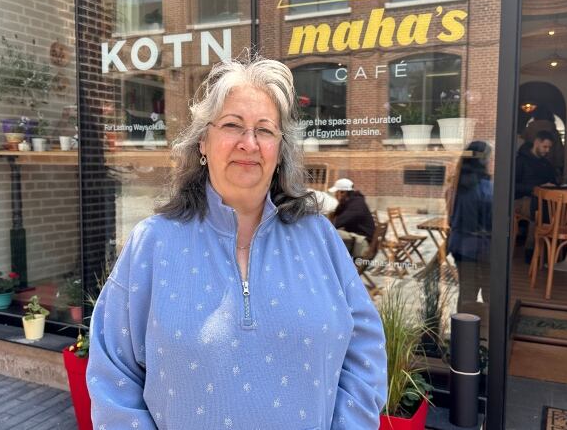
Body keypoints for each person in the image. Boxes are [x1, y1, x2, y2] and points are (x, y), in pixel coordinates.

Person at [87, 56, 387, 429]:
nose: (249, 143)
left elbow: (365, 353)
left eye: (264, 130)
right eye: (232, 125)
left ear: (280, 152)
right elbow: (112, 375)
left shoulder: (320, 238)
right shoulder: (152, 243)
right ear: (203, 143)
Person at [514, 131, 557, 261]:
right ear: (536, 143)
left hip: (541, 200)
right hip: (522, 199)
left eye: (549, 147)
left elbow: (554, 182)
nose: (547, 150)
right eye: (545, 147)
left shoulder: (547, 164)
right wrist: (535, 188)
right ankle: (531, 250)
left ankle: (549, 250)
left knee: (554, 207)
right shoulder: (520, 161)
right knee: (538, 207)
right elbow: (512, 185)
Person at [447, 141, 493, 262]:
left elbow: (450, 218)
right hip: (479, 246)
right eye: (490, 158)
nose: (491, 161)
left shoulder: (455, 185)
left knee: (465, 280)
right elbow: (492, 221)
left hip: (457, 244)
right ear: (483, 161)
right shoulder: (486, 187)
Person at [327, 178, 375, 258]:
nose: (335, 195)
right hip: (360, 238)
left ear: (343, 192)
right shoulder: (352, 201)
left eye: (336, 192)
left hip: (364, 242)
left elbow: (336, 224)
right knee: (333, 233)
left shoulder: (356, 205)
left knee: (331, 234)